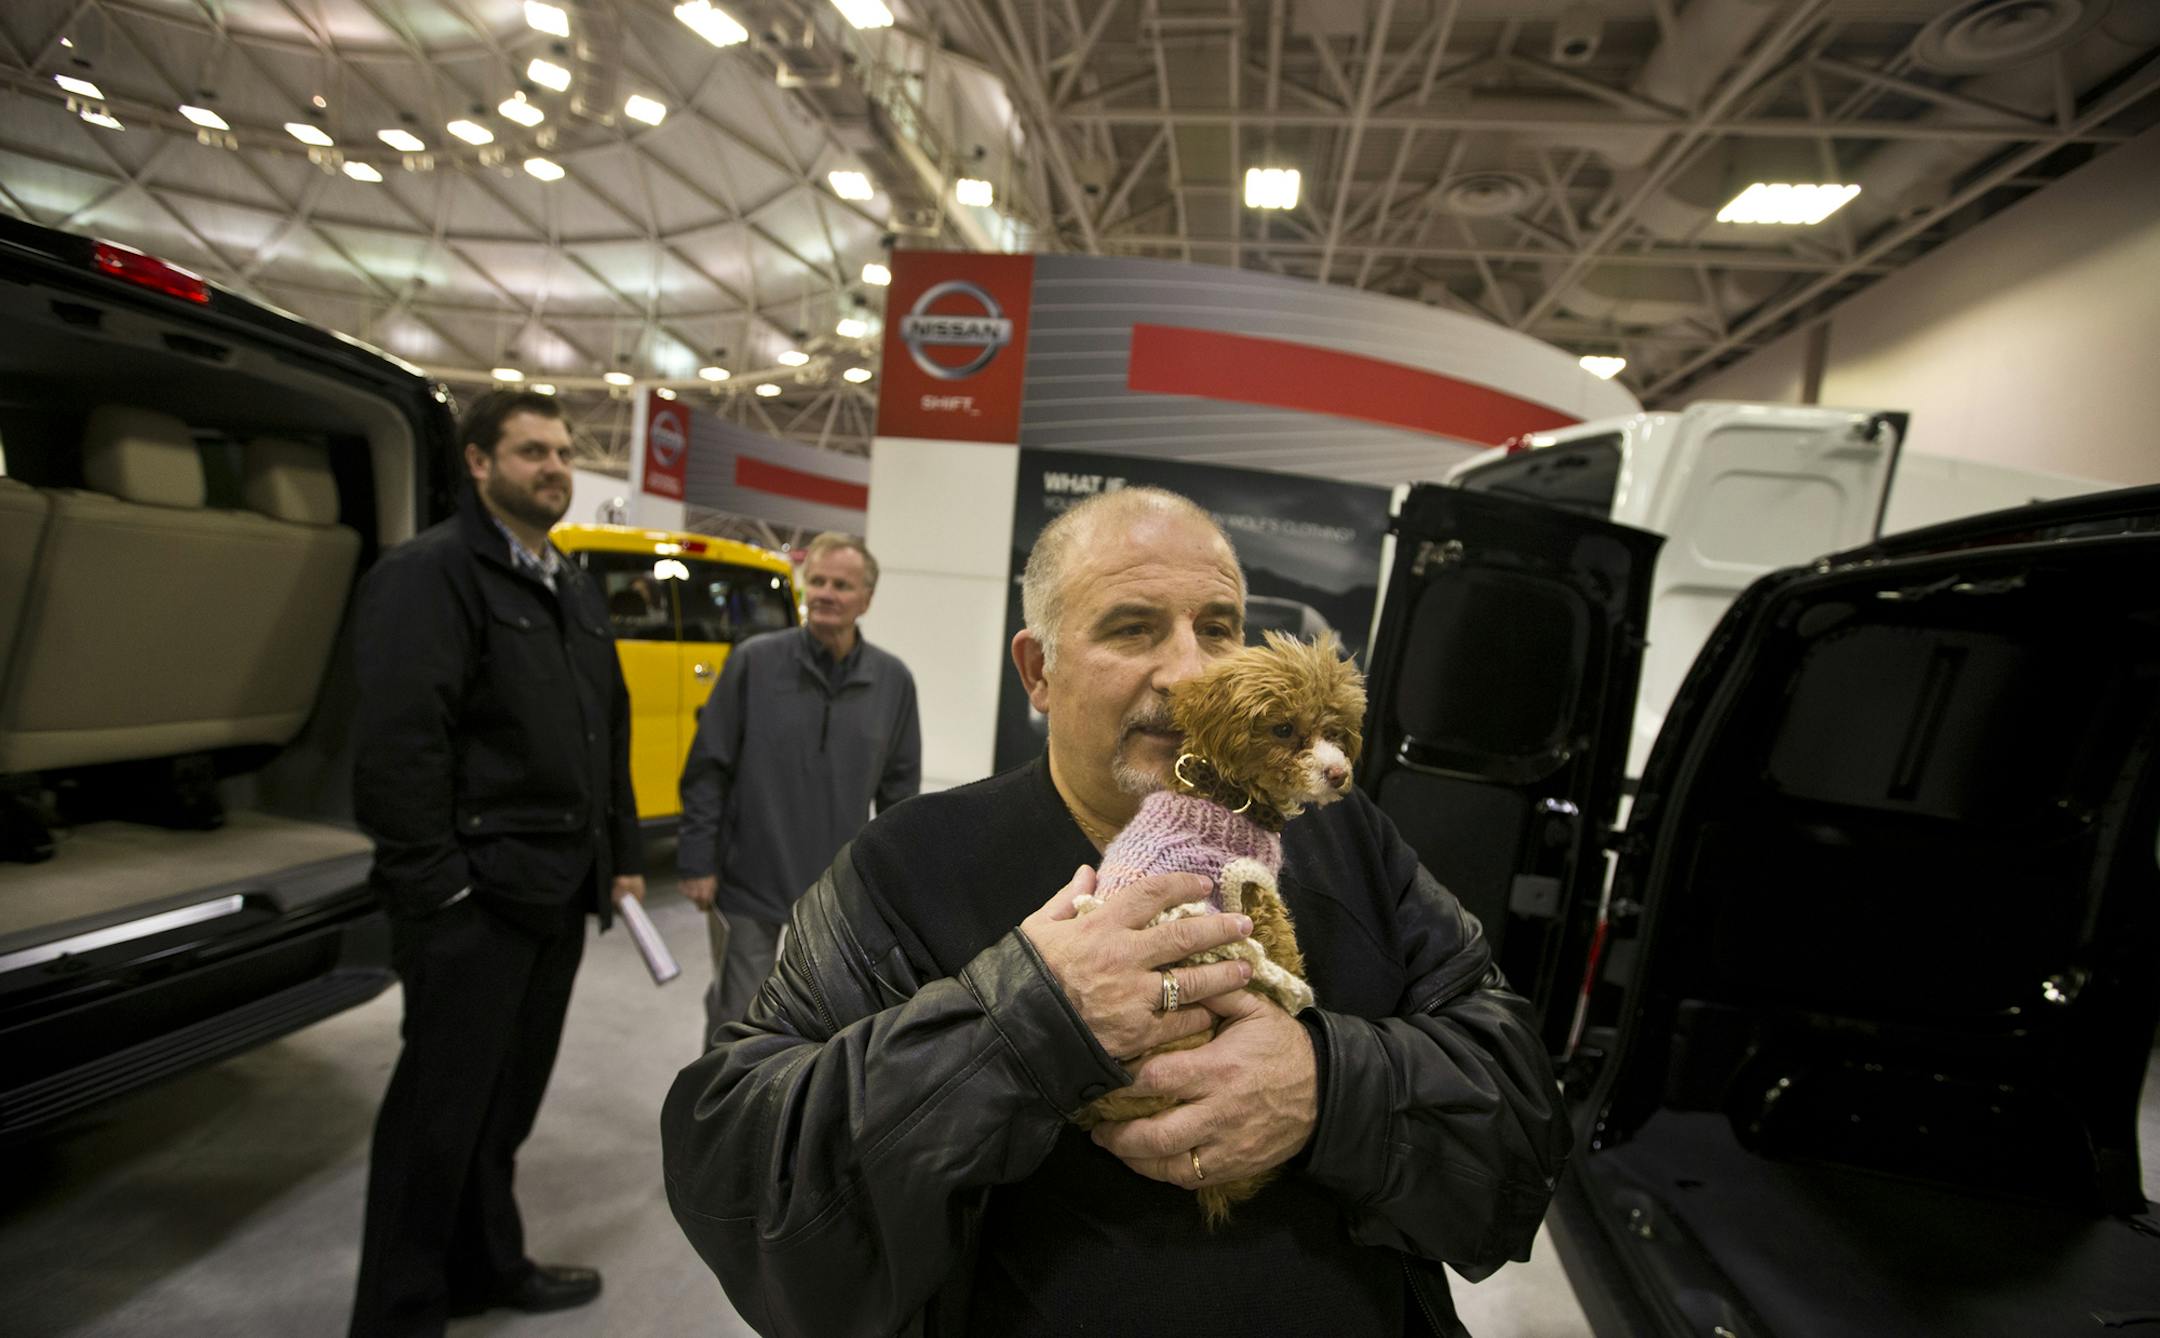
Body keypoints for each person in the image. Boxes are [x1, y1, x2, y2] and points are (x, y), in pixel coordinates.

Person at [660, 487, 1570, 1338]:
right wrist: (1020, 1027)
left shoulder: (1347, 838)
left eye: (1220, 628)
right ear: (1039, 670)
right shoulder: (908, 865)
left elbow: (1522, 1103)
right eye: (1132, 630)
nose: (1191, 672)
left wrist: (1330, 1090)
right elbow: (743, 1176)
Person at [348, 389, 644, 1337]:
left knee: (501, 1110)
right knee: (436, 1118)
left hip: (554, 895)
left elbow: (607, 731)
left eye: (562, 452)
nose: (554, 467)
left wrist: (621, 857)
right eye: (531, 452)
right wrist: (437, 887)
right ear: (478, 463)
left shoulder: (566, 580)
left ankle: (486, 1264)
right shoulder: (431, 574)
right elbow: (402, 745)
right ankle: (398, 1311)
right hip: (474, 901)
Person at [676, 532, 921, 1043]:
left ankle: (783, 1118)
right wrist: (697, 860)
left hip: (834, 893)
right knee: (736, 1015)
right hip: (747, 876)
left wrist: (895, 890)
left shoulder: (893, 682)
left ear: (866, 600)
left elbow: (900, 797)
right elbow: (707, 767)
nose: (827, 593)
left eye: (843, 584)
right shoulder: (753, 661)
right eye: (819, 581)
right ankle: (717, 1118)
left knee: (819, 1025)